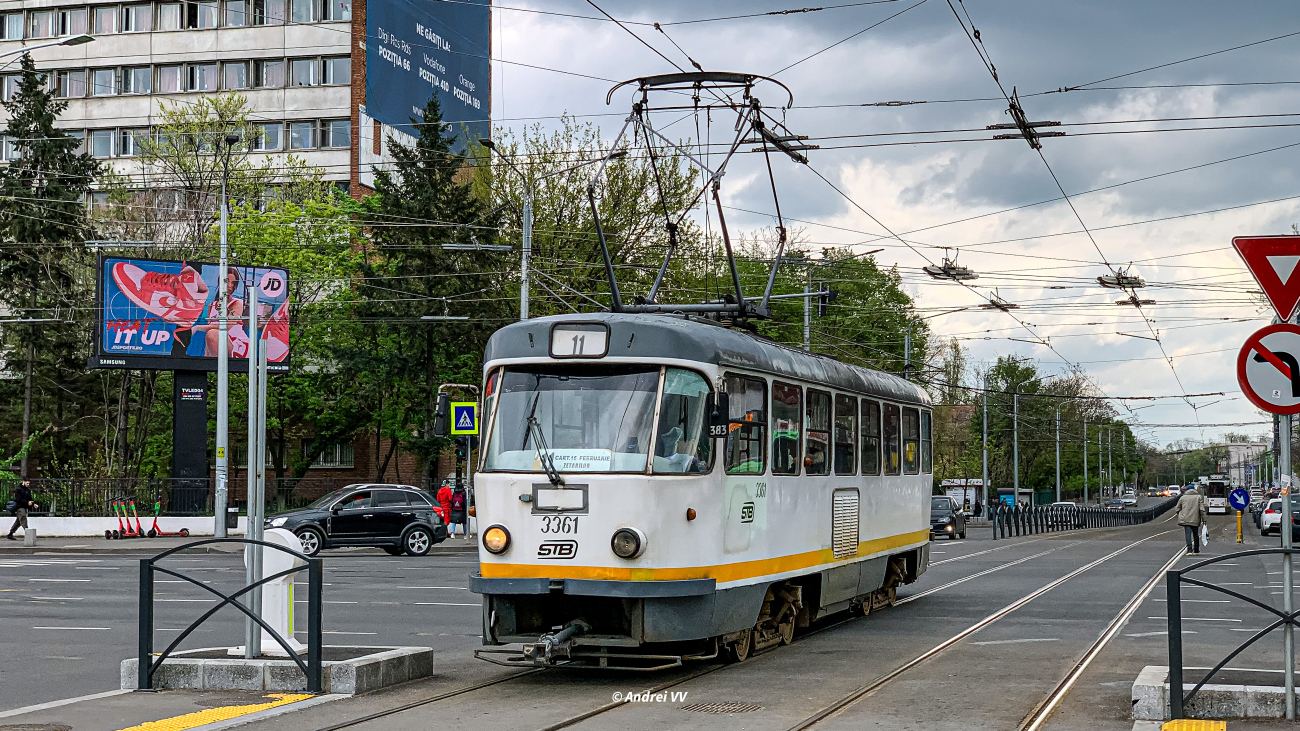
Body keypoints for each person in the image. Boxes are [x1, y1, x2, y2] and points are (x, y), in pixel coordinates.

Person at [1176, 484, 1207, 554]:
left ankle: (1189, 549)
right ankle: (1196, 550)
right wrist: (1204, 519)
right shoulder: (1198, 497)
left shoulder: (1183, 497)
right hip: (1195, 518)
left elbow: (1177, 508)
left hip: (1185, 519)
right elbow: (1202, 509)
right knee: (1196, 534)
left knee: (1188, 534)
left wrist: (1180, 514)